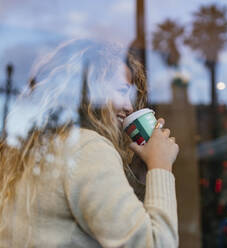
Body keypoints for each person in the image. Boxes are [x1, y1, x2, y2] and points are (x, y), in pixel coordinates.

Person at [0, 39, 179, 247]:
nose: (129, 106)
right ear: (91, 91)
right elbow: (156, 243)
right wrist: (161, 166)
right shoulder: (87, 148)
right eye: (122, 91)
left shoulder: (34, 149)